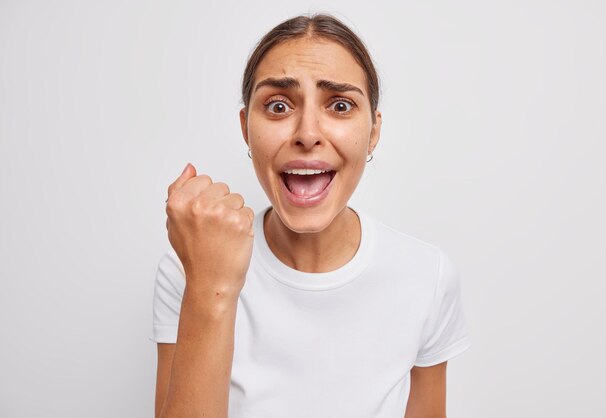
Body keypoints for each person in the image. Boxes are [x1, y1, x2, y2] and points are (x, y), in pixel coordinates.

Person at [150, 13, 470, 418]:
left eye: (340, 105)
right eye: (279, 106)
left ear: (373, 131)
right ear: (246, 128)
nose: (307, 133)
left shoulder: (428, 276)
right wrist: (211, 288)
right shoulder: (187, 270)